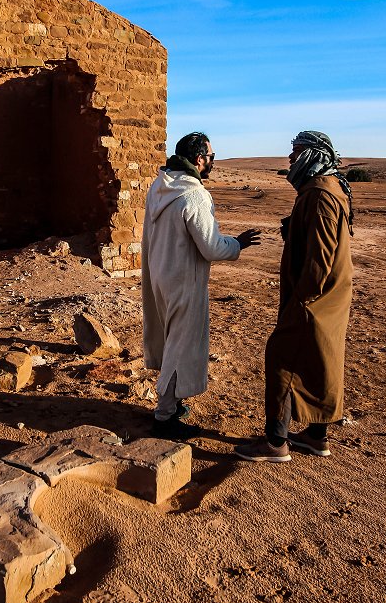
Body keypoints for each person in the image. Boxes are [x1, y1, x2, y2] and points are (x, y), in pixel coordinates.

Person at [235, 130, 354, 463]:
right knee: (321, 359)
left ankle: (275, 443)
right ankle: (316, 437)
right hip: (328, 296)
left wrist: (301, 301)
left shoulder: (321, 194)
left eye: (297, 152)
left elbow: (321, 256)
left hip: (315, 298)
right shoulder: (321, 189)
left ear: (315, 155)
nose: (290, 159)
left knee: (282, 357)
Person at [142, 132, 261, 440]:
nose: (212, 163)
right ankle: (165, 416)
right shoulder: (194, 194)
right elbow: (211, 248)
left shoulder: (159, 186)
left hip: (160, 276)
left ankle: (175, 403)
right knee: (180, 348)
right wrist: (237, 243)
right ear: (198, 160)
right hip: (183, 281)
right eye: (211, 157)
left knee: (172, 341)